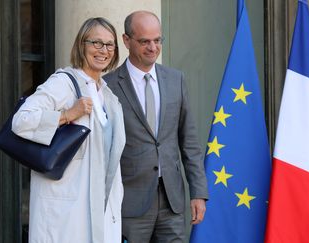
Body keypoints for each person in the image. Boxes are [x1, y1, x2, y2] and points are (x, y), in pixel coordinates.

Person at [11, 17, 125, 243]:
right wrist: (66, 115)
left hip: (100, 209)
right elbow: (21, 121)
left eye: (109, 44)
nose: (104, 50)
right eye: (96, 43)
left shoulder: (108, 96)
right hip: (65, 213)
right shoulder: (63, 83)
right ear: (82, 45)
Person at [104, 10, 208, 242]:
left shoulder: (176, 79)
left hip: (172, 201)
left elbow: (189, 141)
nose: (153, 47)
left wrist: (198, 192)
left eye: (157, 40)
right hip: (129, 202)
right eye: (144, 41)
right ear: (126, 40)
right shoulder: (108, 86)